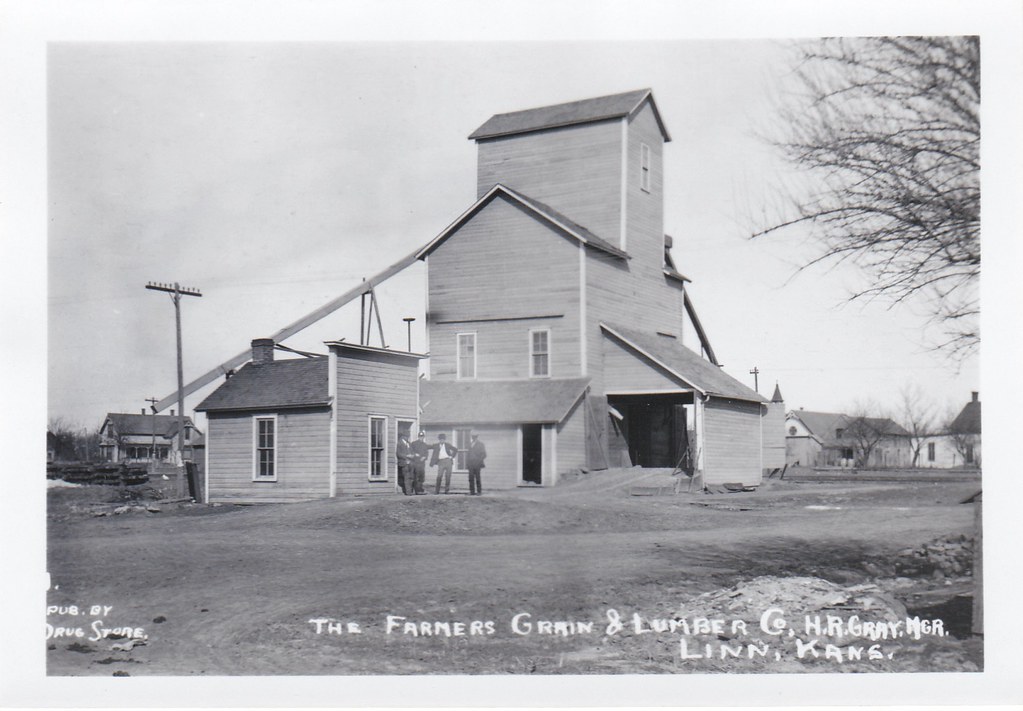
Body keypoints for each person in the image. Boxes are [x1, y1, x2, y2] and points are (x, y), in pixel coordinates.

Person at [408, 430, 430, 495]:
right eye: (420, 436)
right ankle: (416, 490)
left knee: (421, 477)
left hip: (422, 463)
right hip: (416, 462)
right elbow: (410, 451)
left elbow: (426, 453)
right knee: (416, 476)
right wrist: (415, 454)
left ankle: (420, 489)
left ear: (424, 437)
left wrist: (424, 457)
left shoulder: (425, 445)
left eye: (422, 436)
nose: (421, 438)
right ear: (418, 437)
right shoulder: (414, 444)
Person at [466, 432, 487, 496]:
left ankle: (479, 491)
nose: (473, 438)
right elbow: (468, 454)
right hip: (470, 464)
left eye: (475, 437)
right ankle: (472, 492)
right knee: (470, 478)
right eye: (472, 437)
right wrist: (467, 463)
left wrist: (479, 461)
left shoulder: (481, 444)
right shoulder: (470, 444)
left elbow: (484, 454)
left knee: (477, 477)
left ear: (477, 437)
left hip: (477, 463)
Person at [396, 430, 412, 495]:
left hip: (410, 462)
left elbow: (412, 451)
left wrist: (413, 455)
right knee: (406, 477)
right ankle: (408, 492)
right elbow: (398, 454)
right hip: (403, 462)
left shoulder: (409, 444)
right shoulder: (399, 443)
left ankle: (409, 490)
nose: (407, 438)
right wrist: (406, 456)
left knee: (410, 477)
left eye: (408, 436)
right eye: (406, 436)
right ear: (403, 437)